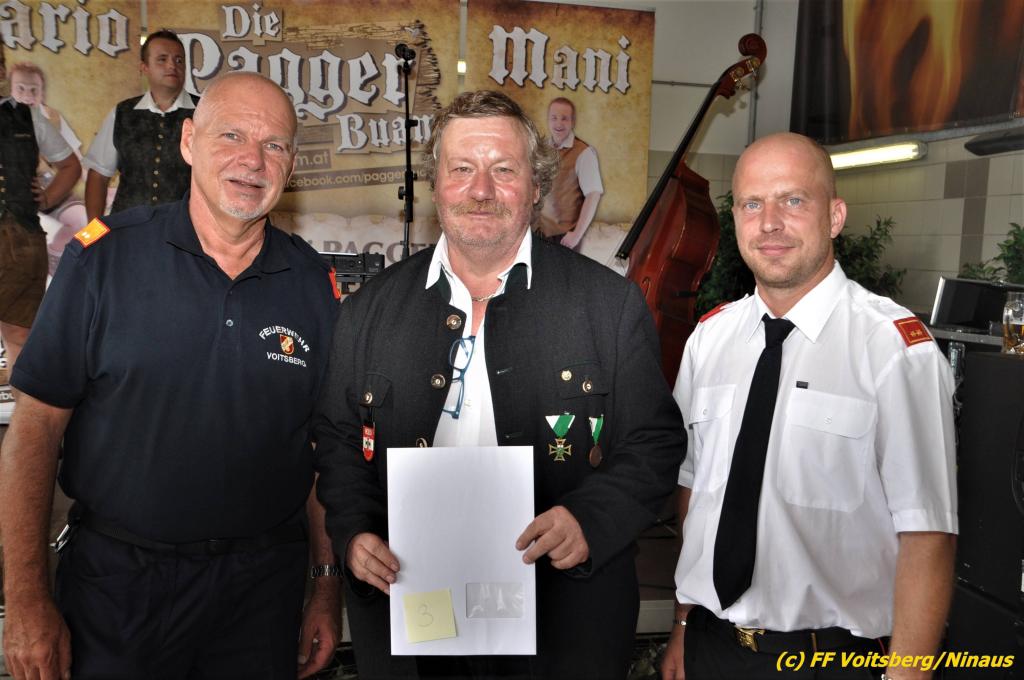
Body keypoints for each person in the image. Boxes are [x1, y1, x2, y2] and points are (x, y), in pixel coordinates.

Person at [313, 89, 685, 680]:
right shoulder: (368, 311)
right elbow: (337, 439)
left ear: (536, 186)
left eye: (503, 170)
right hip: (411, 619)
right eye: (461, 168)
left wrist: (590, 519)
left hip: (565, 626)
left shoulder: (608, 306)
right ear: (436, 184)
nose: (481, 190)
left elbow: (655, 442)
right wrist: (354, 531)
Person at [0, 72, 342, 680]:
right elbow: (34, 429)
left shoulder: (314, 285)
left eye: (274, 145)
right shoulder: (103, 258)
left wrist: (324, 586)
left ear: (291, 165)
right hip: (116, 593)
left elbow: (323, 455)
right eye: (231, 135)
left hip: (261, 599)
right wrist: (26, 598)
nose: (252, 160)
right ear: (188, 142)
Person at [661, 132, 957, 680]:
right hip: (710, 646)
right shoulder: (709, 339)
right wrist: (682, 622)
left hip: (828, 658)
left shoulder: (893, 350)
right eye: (752, 204)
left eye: (793, 200)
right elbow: (694, 490)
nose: (769, 223)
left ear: (835, 216)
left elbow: (928, 535)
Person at [0, 61, 80, 378]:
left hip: (20, 237)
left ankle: (25, 409)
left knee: (20, 335)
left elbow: (70, 165)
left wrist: (47, 197)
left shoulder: (27, 116)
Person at [82, 29, 196, 221]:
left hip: (185, 229)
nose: (172, 65)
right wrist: (95, 232)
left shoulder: (205, 112)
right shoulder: (122, 113)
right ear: (144, 67)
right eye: (162, 59)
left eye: (179, 60)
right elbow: (98, 176)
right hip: (127, 228)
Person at [8, 61, 89, 275]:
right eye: (20, 89)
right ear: (10, 90)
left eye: (34, 90)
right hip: (12, 194)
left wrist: (48, 197)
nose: (27, 95)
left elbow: (75, 162)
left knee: (89, 223)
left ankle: (55, 255)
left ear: (42, 93)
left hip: (47, 183)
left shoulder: (50, 117)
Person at [537, 96, 603, 250]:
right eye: (554, 118)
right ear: (548, 120)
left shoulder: (584, 153)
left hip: (564, 237)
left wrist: (576, 235)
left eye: (564, 118)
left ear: (573, 122)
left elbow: (593, 195)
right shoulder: (541, 148)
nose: (558, 123)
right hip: (537, 233)